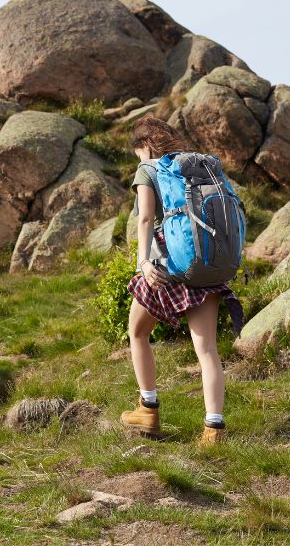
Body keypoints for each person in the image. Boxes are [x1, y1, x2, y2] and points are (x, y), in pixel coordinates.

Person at [119, 116, 241, 447]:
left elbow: (145, 217)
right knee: (207, 350)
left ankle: (148, 409)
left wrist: (144, 262)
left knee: (138, 333)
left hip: (168, 265)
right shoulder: (197, 167)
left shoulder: (149, 169)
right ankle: (213, 429)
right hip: (205, 261)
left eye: (137, 153)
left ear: (143, 146)